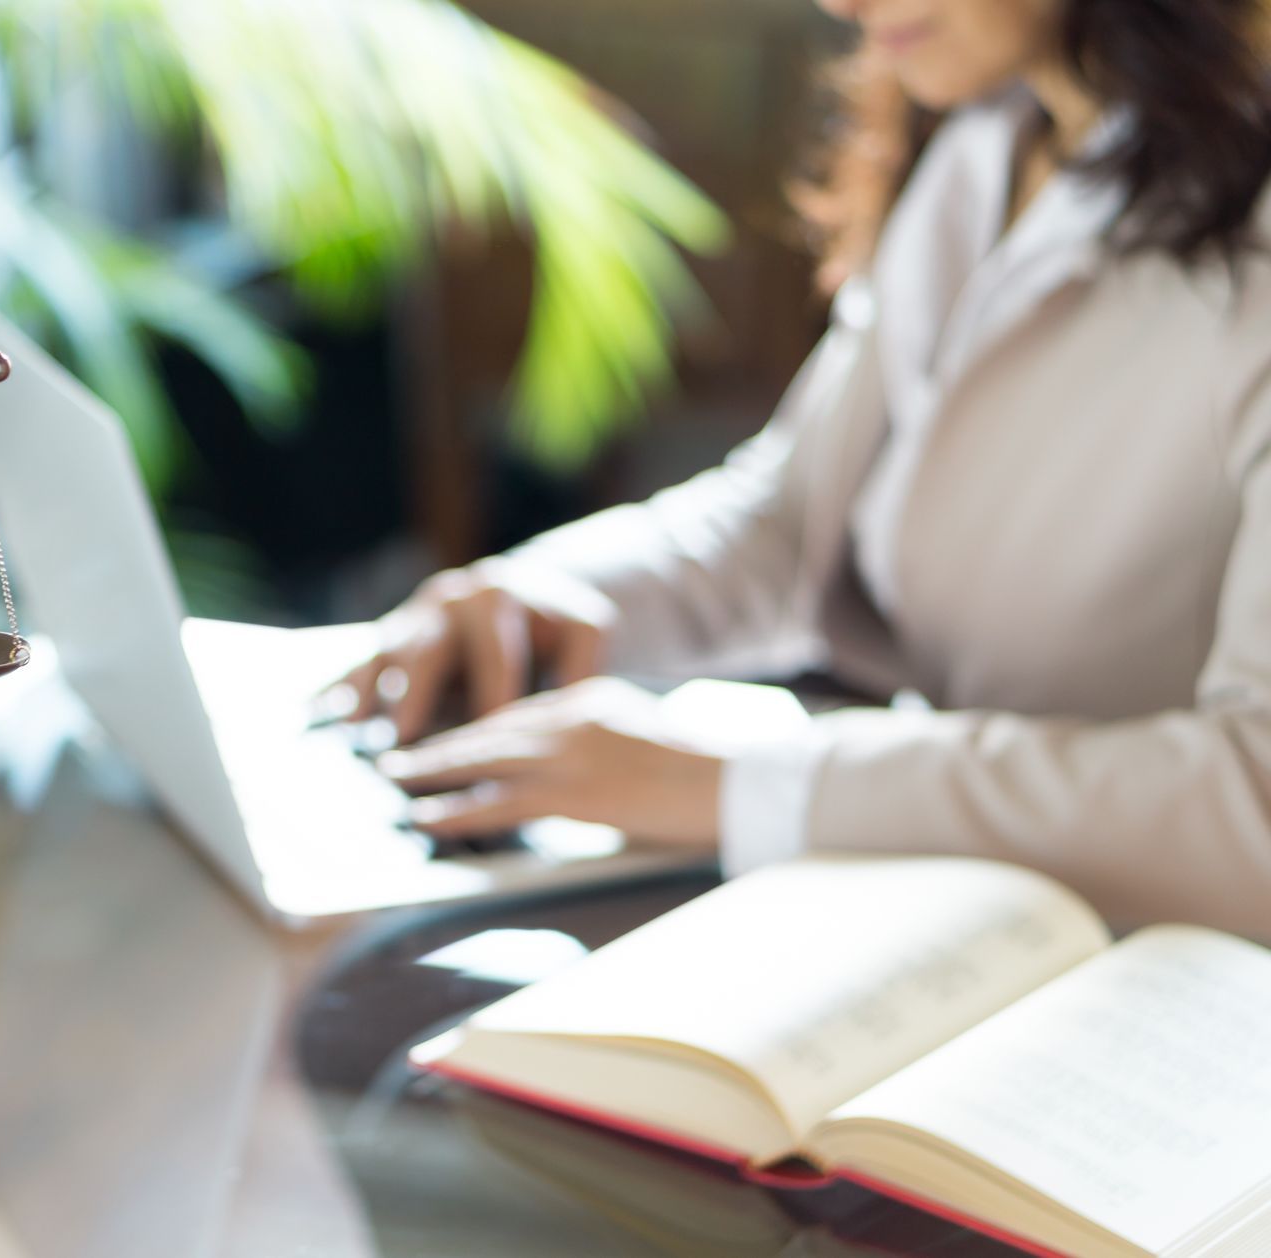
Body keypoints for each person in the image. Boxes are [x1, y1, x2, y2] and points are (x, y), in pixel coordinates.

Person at [327, 0, 1271, 938]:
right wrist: (546, 594)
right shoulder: (994, 139)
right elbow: (792, 518)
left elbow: (1254, 804)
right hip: (971, 923)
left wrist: (739, 786)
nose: (840, 3)